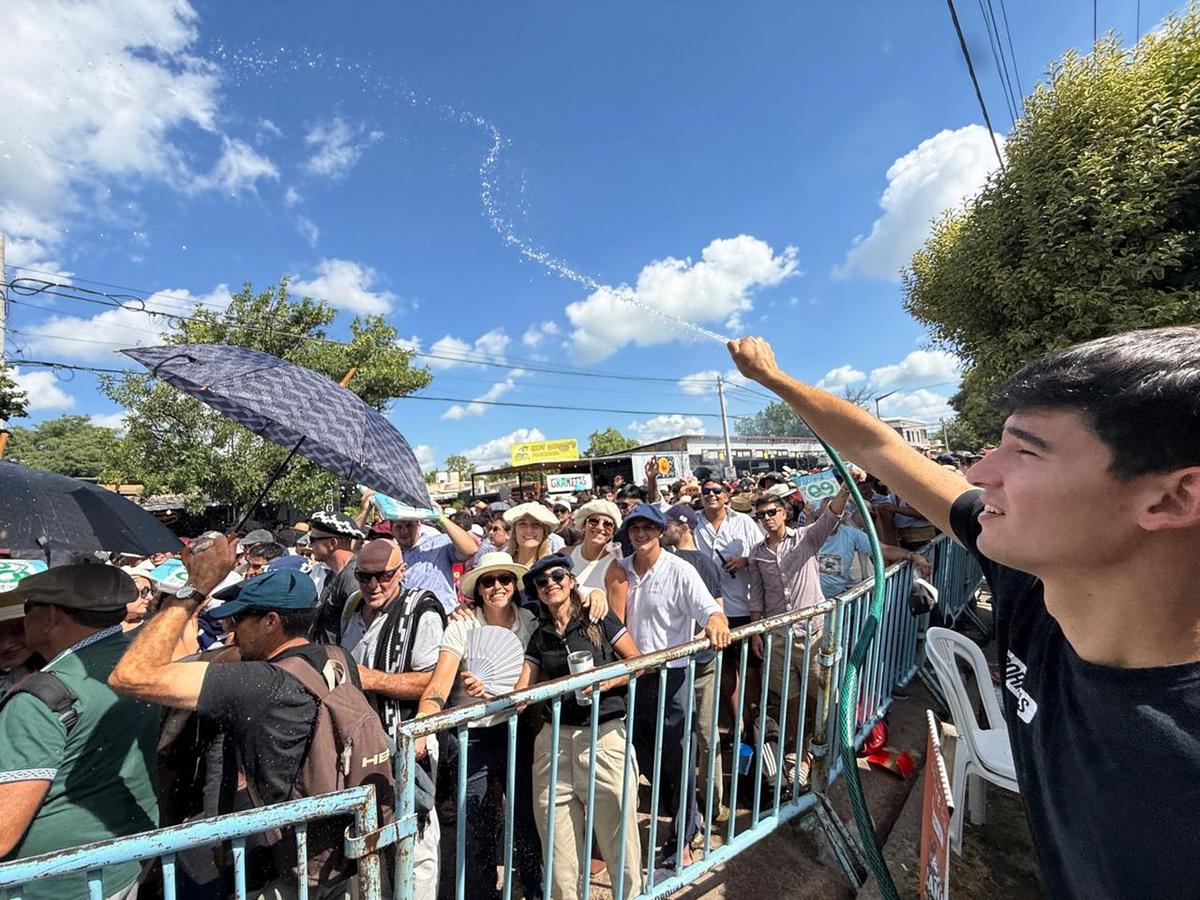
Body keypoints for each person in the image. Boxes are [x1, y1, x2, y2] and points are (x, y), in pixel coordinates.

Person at [728, 328, 1200, 898]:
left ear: (1173, 499)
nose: (976, 473)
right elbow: (880, 447)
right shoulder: (1031, 576)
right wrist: (774, 379)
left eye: (1026, 451)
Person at [109, 542, 394, 900]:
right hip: (337, 848)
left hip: (283, 867)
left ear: (271, 621)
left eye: (241, 617)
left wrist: (195, 588)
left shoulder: (262, 683)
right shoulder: (337, 658)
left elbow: (131, 675)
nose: (232, 627)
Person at [0, 565, 159, 900]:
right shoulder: (138, 665)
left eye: (28, 609)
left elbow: (2, 833)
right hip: (119, 861)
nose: (21, 622)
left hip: (50, 885)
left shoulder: (38, 700)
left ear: (52, 616)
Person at [414, 552, 543, 900]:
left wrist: (597, 596)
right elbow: (439, 685)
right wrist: (425, 721)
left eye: (504, 579)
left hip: (520, 729)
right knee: (476, 827)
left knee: (527, 819)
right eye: (488, 581)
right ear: (478, 589)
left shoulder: (531, 620)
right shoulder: (461, 626)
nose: (497, 586)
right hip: (472, 735)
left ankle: (534, 889)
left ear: (514, 584)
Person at [611, 503, 731, 872]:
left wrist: (716, 623)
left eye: (648, 527)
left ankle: (681, 841)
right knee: (651, 763)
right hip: (634, 680)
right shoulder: (621, 570)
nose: (641, 534)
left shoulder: (679, 570)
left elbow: (710, 610)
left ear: (661, 531)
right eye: (635, 528)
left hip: (673, 677)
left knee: (679, 761)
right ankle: (688, 821)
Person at [516, 554, 643, 899]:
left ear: (571, 580)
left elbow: (637, 662)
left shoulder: (596, 616)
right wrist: (485, 691)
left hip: (603, 736)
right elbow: (523, 691)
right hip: (553, 742)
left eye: (557, 576)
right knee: (557, 850)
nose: (550, 584)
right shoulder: (540, 635)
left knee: (619, 840)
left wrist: (604, 682)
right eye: (542, 582)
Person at [340, 539, 444, 900]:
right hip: (360, 751)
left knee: (414, 847)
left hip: (405, 743)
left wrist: (371, 679)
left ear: (402, 571)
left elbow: (432, 682)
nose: (374, 585)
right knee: (368, 847)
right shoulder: (351, 609)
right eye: (364, 576)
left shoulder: (422, 610)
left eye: (383, 575)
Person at [660, 502, 726, 821]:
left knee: (701, 734)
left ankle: (708, 804)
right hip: (677, 664)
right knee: (690, 735)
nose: (662, 529)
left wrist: (704, 636)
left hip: (698, 663)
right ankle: (692, 803)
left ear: (684, 526)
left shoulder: (693, 562)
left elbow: (717, 609)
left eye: (668, 523)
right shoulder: (664, 560)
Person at [692, 478, 764, 738]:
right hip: (711, 612)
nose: (710, 495)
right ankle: (739, 724)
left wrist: (744, 561)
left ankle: (756, 721)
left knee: (752, 670)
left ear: (726, 496)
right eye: (706, 491)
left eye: (716, 491)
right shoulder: (692, 523)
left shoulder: (743, 522)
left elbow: (762, 552)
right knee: (725, 671)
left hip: (745, 606)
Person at [816, 515, 932, 599]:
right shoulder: (808, 533)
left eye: (836, 514)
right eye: (827, 514)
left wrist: (912, 555)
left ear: (842, 516)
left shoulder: (850, 534)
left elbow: (883, 549)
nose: (831, 518)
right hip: (810, 599)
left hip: (837, 599)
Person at [390, 507, 481, 613]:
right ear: (391, 529)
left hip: (444, 615)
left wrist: (440, 518)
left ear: (418, 524)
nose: (404, 530)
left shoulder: (438, 543)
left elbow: (471, 550)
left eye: (409, 525)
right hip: (408, 620)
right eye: (398, 526)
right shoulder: (390, 553)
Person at [306, 510, 365, 644]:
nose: (310, 545)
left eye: (313, 540)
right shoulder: (333, 574)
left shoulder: (353, 577)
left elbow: (356, 633)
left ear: (332, 543)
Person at [567, 499, 625, 613]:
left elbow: (617, 624)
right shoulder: (565, 554)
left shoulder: (616, 571)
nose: (599, 527)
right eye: (594, 521)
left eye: (607, 524)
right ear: (584, 525)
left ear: (613, 532)